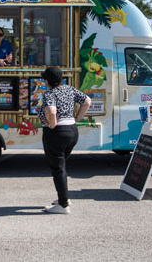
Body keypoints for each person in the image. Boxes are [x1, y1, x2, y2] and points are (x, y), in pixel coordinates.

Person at [38, 66, 91, 214]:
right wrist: (77, 118)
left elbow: (51, 110)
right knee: (61, 166)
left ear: (47, 81)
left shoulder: (50, 93)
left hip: (57, 133)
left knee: (58, 168)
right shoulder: (69, 89)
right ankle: (64, 197)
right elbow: (87, 101)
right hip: (72, 131)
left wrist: (52, 123)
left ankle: (63, 205)